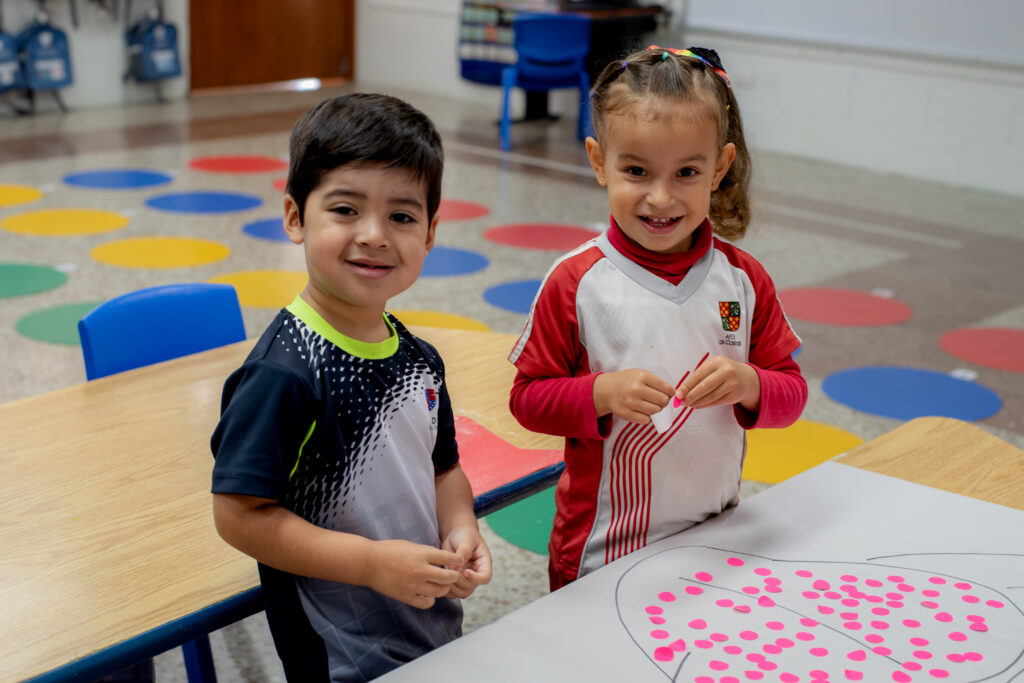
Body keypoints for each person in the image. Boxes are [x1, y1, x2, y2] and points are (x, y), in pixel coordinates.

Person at [210, 93, 492, 682]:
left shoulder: (419, 358)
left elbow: (443, 470)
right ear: (295, 218)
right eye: (345, 209)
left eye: (402, 216)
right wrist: (369, 564)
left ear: (432, 233)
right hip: (340, 657)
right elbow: (239, 517)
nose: (374, 235)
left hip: (428, 628)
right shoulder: (283, 375)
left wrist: (461, 525)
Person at [508, 46, 807, 591]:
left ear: (719, 168)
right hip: (602, 553)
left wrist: (749, 383)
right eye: (636, 171)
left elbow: (791, 394)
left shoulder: (743, 281)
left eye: (687, 172)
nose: (661, 197)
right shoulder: (575, 282)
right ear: (600, 162)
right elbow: (527, 398)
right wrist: (597, 394)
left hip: (715, 541)